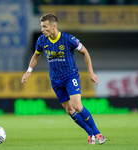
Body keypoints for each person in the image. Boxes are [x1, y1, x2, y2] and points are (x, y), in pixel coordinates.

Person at [21, 13, 106, 145]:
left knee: (77, 105)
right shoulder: (42, 40)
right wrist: (29, 71)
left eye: (44, 26)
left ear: (54, 26)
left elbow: (85, 52)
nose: (42, 29)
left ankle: (98, 133)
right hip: (55, 79)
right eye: (41, 27)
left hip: (70, 76)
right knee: (69, 110)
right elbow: (36, 55)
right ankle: (90, 134)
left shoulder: (68, 39)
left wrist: (91, 72)